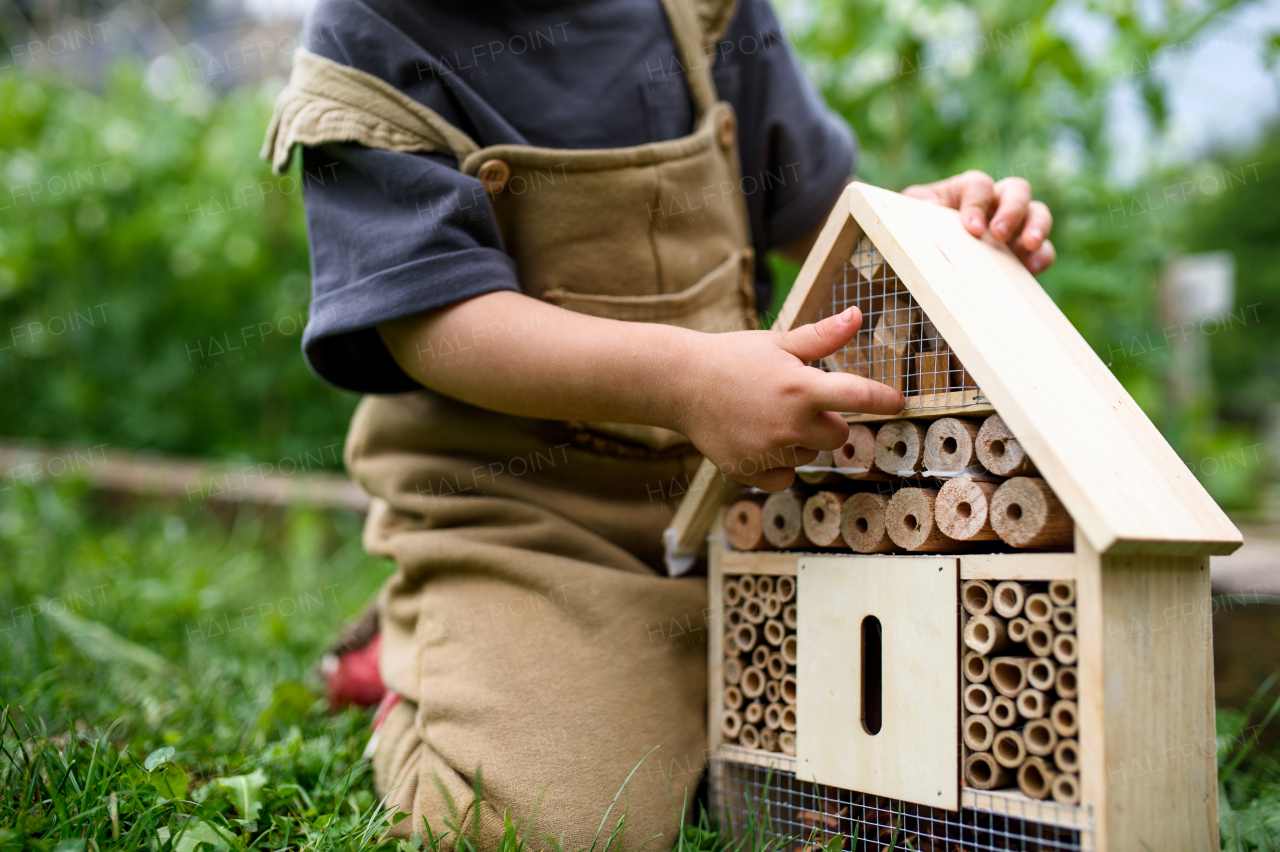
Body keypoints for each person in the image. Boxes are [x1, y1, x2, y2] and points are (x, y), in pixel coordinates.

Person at [261, 0, 1056, 846]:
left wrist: (925, 228)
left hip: (744, 498)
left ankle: (641, 671)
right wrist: (685, 381)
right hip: (525, 519)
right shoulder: (372, 35)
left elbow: (811, 211)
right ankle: (423, 660)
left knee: (921, 731)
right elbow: (432, 323)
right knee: (556, 824)